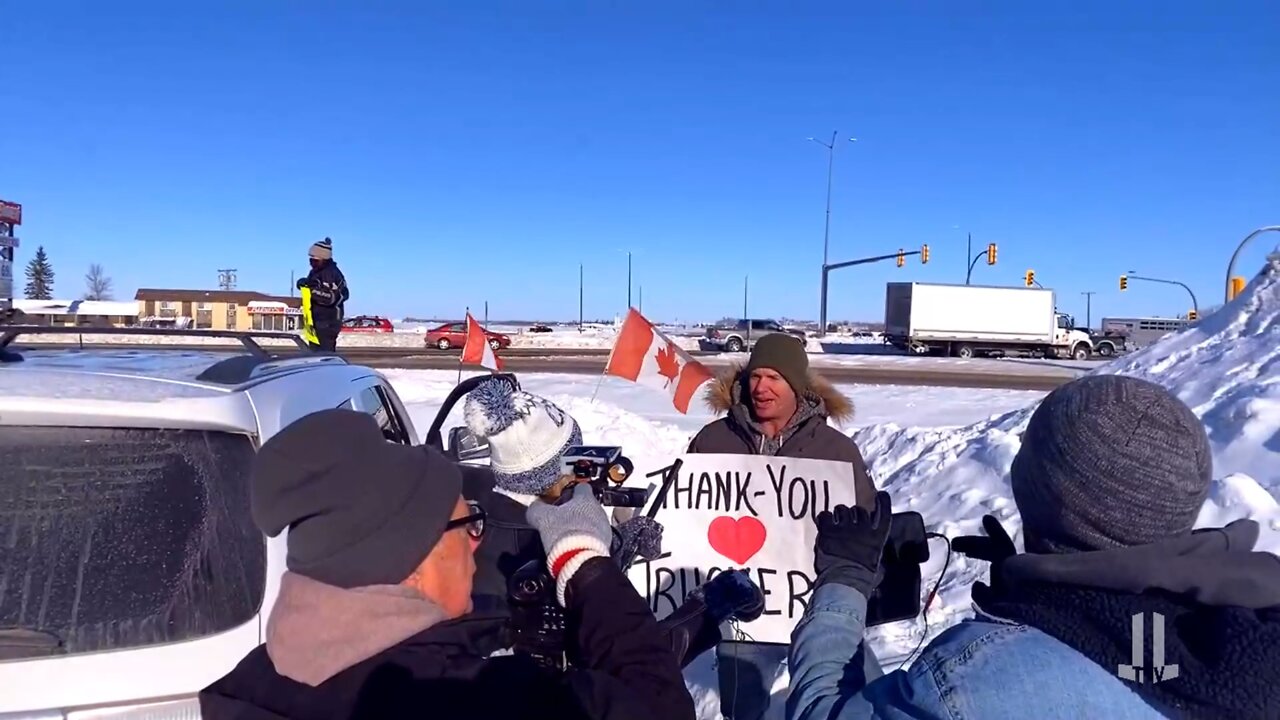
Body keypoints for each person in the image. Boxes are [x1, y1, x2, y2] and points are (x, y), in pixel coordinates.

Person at [787, 374, 1280, 720]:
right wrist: (1046, 598)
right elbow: (1137, 654)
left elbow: (822, 711)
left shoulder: (966, 685)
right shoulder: (1231, 636)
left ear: (1035, 489)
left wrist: (843, 580)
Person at [197, 408, 697, 720]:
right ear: (410, 557)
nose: (478, 543)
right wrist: (583, 560)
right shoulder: (474, 701)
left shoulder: (246, 683)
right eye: (468, 525)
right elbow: (657, 706)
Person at [686, 332, 879, 720]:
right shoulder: (712, 441)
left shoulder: (837, 452)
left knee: (864, 700)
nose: (761, 387)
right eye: (756, 377)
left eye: (774, 378)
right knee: (743, 710)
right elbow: (688, 512)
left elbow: (863, 534)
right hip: (743, 617)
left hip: (816, 608)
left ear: (796, 385)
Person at [296, 237, 349, 352]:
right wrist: (304, 283)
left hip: (328, 323)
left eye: (315, 260)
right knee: (314, 354)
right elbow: (314, 287)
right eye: (311, 260)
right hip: (315, 321)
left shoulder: (332, 274)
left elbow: (333, 297)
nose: (312, 263)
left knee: (325, 355)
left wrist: (311, 290)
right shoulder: (315, 272)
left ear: (324, 259)